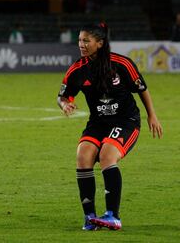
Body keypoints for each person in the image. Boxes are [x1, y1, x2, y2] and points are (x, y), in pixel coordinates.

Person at [57, 23, 163, 230]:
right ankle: (90, 218)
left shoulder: (122, 64)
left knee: (107, 155)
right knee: (83, 155)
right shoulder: (78, 69)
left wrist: (152, 115)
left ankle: (113, 216)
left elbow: (142, 88)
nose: (81, 44)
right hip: (98, 123)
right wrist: (64, 104)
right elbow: (62, 95)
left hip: (126, 121)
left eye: (86, 40)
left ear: (100, 43)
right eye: (79, 40)